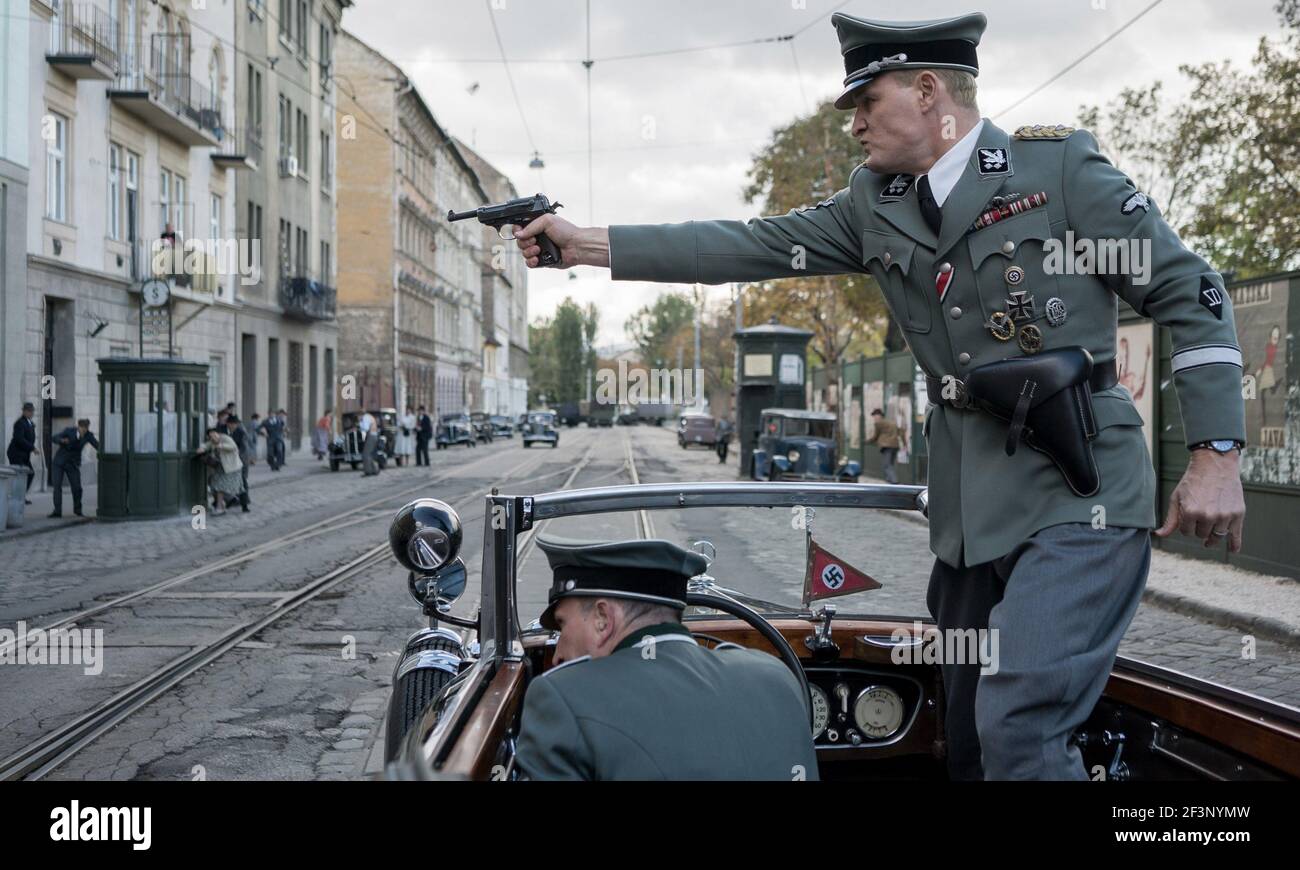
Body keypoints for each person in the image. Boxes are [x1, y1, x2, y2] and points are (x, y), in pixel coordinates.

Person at [512, 12, 1247, 781]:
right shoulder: (874, 203)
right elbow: (744, 243)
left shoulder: (1056, 172)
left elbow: (1192, 290)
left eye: (867, 102)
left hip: (1080, 492)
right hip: (971, 509)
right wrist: (585, 244)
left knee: (1020, 724)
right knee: (964, 735)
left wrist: (1217, 453)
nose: (855, 123)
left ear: (929, 92)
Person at [514, 536, 818, 781]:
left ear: (603, 619)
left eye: (563, 625)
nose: (559, 654)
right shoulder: (776, 677)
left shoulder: (563, 698)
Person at [49, 418, 99, 518]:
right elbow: (54, 437)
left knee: (77, 487)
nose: (84, 430)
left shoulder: (89, 435)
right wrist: (61, 440)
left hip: (73, 464)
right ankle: (57, 511)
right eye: (82, 428)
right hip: (59, 462)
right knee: (57, 486)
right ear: (78, 427)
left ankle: (78, 510)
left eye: (86, 428)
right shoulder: (69, 431)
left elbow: (97, 445)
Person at [195, 427, 243, 515]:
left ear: (218, 434)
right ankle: (223, 504)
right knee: (214, 486)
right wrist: (202, 448)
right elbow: (206, 445)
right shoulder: (212, 442)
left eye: (214, 434)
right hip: (220, 467)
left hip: (231, 467)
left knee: (220, 487)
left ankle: (220, 507)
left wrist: (221, 446)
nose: (213, 437)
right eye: (210, 436)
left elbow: (233, 447)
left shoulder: (225, 438)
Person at [7, 401, 37, 502]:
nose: (31, 413)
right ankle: (16, 496)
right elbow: (19, 439)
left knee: (30, 473)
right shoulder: (20, 423)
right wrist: (32, 448)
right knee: (20, 475)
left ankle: (20, 496)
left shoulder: (30, 423)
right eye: (29, 411)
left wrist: (31, 448)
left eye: (32, 411)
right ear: (24, 412)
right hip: (16, 454)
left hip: (24, 454)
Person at [225, 414, 252, 512]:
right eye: (229, 424)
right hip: (231, 461)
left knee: (242, 482)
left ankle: (244, 504)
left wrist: (237, 457)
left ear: (235, 424)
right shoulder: (227, 432)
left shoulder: (241, 432)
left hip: (241, 461)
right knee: (227, 482)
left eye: (233, 424)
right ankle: (231, 500)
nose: (230, 426)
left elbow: (243, 448)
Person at [867, 408, 902, 484]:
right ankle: (890, 481)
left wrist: (868, 441)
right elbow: (899, 432)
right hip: (895, 445)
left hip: (887, 446)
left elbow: (876, 436)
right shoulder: (891, 423)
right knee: (891, 464)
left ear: (879, 416)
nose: (874, 418)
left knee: (887, 465)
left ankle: (894, 481)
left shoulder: (878, 423)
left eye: (875, 416)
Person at [358, 409, 379, 476]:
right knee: (369, 454)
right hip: (374, 435)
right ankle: (374, 470)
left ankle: (368, 471)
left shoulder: (365, 418)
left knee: (365, 454)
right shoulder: (369, 416)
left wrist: (360, 422)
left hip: (371, 436)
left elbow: (365, 428)